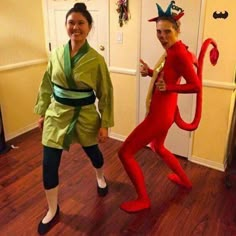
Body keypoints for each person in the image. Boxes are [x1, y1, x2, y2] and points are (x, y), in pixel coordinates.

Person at [34, 3, 114, 234]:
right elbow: (47, 84)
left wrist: (105, 124)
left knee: (94, 154)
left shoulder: (96, 60)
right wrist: (43, 112)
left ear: (89, 27)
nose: (75, 27)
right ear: (65, 25)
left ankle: (100, 176)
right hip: (57, 114)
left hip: (85, 115)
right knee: (49, 164)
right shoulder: (56, 55)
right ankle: (52, 209)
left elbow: (105, 93)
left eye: (81, 23)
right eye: (71, 23)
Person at [118, 1, 201, 213]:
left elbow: (196, 86)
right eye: (158, 31)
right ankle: (185, 180)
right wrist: (150, 73)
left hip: (160, 116)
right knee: (158, 147)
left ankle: (143, 199)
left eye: (167, 31)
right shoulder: (173, 51)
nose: (162, 36)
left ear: (177, 30)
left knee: (125, 152)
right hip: (165, 113)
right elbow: (167, 75)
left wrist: (170, 86)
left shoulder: (179, 53)